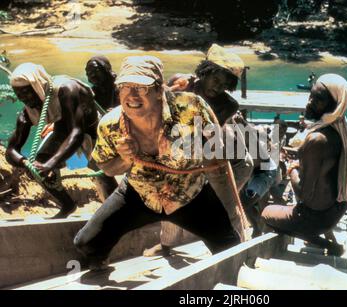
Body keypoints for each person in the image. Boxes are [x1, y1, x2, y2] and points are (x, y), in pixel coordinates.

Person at [74, 55, 248, 270]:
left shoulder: (192, 108)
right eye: (125, 87)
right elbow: (106, 168)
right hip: (138, 195)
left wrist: (186, 150)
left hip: (190, 196)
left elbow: (218, 155)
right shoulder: (110, 124)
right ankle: (100, 266)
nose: (132, 95)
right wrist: (125, 158)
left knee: (231, 250)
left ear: (158, 91)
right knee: (85, 244)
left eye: (142, 88)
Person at [146, 44, 254, 255]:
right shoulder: (180, 81)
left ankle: (236, 251)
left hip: (227, 158)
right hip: (188, 148)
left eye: (225, 84)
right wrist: (172, 91)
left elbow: (201, 137)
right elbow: (158, 106)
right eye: (215, 79)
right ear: (205, 70)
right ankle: (166, 245)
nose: (218, 87)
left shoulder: (228, 106)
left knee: (226, 206)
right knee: (171, 196)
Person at [261, 74, 347, 256]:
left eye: (318, 100)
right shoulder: (339, 130)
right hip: (337, 210)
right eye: (311, 95)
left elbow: (304, 195)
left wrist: (292, 168)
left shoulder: (316, 139)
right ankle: (331, 242)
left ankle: (327, 245)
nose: (309, 102)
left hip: (317, 219)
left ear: (334, 106)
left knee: (265, 213)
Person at [6, 63, 117, 218]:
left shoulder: (66, 90)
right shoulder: (27, 114)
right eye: (20, 96)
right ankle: (67, 204)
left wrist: (51, 163)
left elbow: (77, 133)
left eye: (27, 94)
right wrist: (27, 164)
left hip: (92, 130)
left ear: (38, 86)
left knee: (102, 170)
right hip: (63, 132)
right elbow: (11, 150)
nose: (25, 100)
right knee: (39, 164)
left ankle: (115, 212)